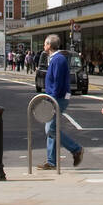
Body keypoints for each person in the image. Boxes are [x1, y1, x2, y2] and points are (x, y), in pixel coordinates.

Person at [39, 33, 83, 170]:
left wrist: (51, 98)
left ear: (50, 45)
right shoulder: (55, 58)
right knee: (52, 128)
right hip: (55, 97)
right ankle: (52, 162)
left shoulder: (57, 59)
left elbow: (57, 82)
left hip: (58, 98)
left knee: (50, 128)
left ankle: (76, 149)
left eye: (45, 43)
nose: (44, 46)